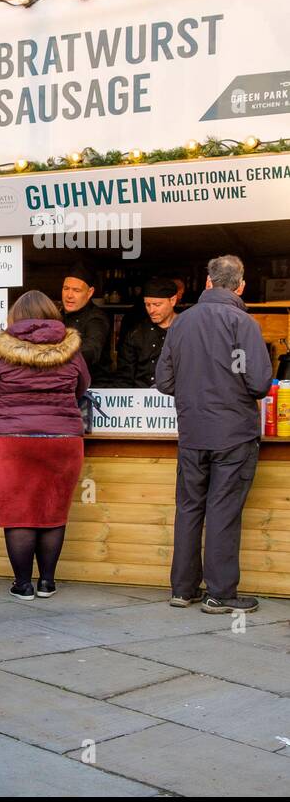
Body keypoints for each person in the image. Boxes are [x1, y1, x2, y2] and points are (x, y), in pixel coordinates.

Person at [155, 255, 271, 614]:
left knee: (189, 508)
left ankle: (183, 588)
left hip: (192, 433)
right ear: (241, 286)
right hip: (233, 435)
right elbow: (259, 382)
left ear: (207, 283)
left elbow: (164, 381)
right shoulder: (244, 323)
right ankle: (220, 593)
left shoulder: (181, 324)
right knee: (222, 510)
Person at [0, 290, 89, 600]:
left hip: (12, 444)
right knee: (53, 511)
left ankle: (22, 584)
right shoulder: (71, 349)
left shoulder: (0, 351)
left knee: (18, 513)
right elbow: (83, 386)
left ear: (15, 318)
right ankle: (47, 582)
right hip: (62, 441)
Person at [113, 276, 180, 388]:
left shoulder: (189, 329)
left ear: (172, 300)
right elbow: (124, 376)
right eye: (147, 304)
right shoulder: (136, 333)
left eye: (157, 305)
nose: (151, 310)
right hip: (141, 399)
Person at [60, 262, 110, 381]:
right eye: (66, 288)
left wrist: (56, 359)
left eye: (76, 290)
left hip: (94, 389)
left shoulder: (96, 318)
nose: (69, 295)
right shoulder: (56, 316)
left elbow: (91, 350)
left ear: (90, 292)